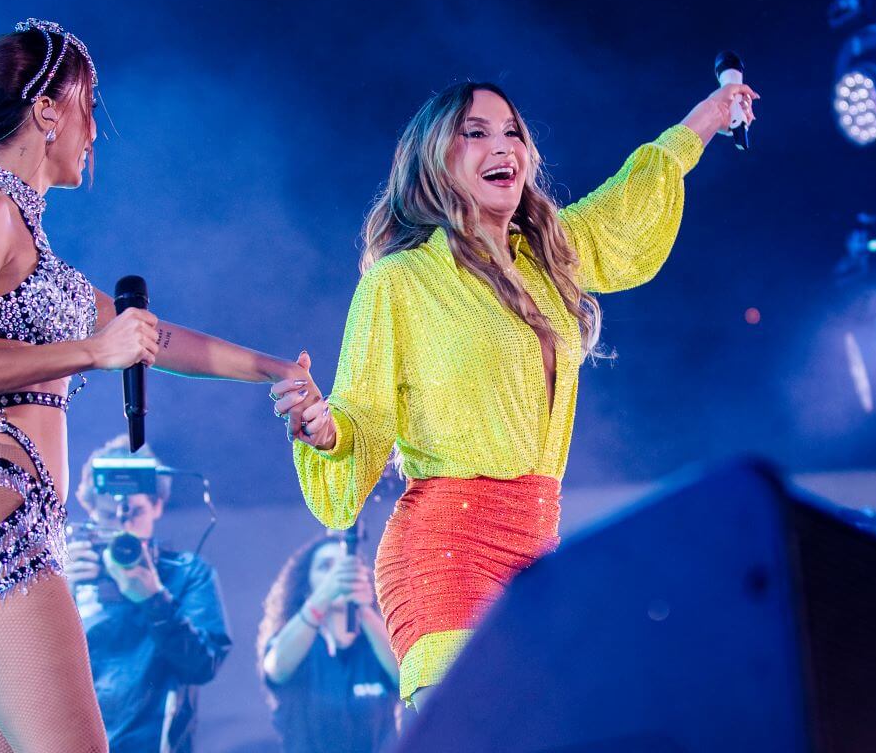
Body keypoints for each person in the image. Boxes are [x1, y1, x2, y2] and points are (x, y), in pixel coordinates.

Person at [0, 18, 309, 752]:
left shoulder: (28, 238)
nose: (95, 129)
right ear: (47, 109)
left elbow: (155, 337)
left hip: (1, 517)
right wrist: (89, 350)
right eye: (89, 104)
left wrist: (278, 372)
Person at [271, 80, 759, 708]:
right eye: (474, 133)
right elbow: (361, 414)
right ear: (435, 161)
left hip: (536, 558)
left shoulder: (550, 257)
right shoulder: (401, 282)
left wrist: (705, 119)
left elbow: (625, 206)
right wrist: (329, 431)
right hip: (445, 551)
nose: (502, 145)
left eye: (512, 133)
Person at [65, 436, 230, 753]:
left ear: (157, 505)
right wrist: (60, 596)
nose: (123, 528)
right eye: (111, 517)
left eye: (134, 513)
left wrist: (154, 598)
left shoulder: (186, 573)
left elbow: (202, 666)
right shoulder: (72, 569)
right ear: (90, 510)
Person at [258, 536, 399, 753]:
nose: (338, 576)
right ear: (307, 587)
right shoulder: (298, 643)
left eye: (346, 568)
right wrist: (324, 595)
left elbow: (408, 675)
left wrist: (364, 609)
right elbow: (275, 666)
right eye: (326, 567)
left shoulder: (376, 644)